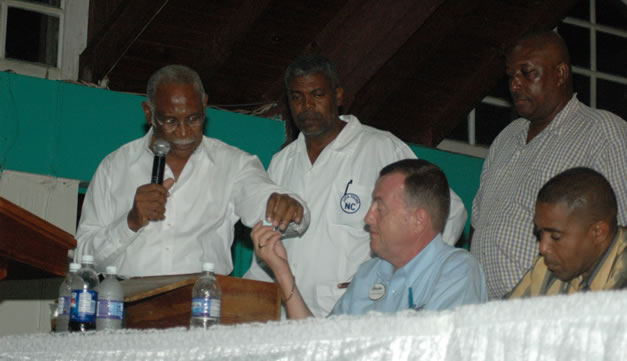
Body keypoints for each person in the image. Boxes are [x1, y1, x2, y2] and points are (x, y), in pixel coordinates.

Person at [244, 54, 468, 317]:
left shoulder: (379, 148)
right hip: (289, 318)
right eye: (297, 97)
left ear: (338, 96)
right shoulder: (282, 161)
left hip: (355, 317)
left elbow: (451, 210)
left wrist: (399, 276)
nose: (307, 106)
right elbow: (267, 245)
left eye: (317, 94)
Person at [76, 65, 308, 277]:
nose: (184, 131)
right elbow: (83, 258)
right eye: (170, 121)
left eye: (193, 118)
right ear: (149, 113)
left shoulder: (233, 164)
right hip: (126, 309)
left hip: (203, 309)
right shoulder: (114, 167)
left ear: (205, 104)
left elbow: (266, 202)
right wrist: (130, 222)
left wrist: (289, 208)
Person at [470, 31, 627, 299]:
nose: (515, 86)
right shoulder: (506, 137)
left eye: (527, 73)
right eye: (511, 76)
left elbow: (618, 230)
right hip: (487, 310)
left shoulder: (602, 130)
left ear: (561, 73)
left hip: (554, 309)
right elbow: (477, 223)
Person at [252, 159, 487, 319]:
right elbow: (322, 347)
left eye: (380, 208)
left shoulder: (456, 270)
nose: (367, 217)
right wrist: (282, 273)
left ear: (419, 220)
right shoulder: (368, 273)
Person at [509, 167, 626, 297]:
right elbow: (503, 315)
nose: (542, 248)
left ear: (598, 232)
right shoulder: (547, 267)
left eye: (555, 237)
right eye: (539, 233)